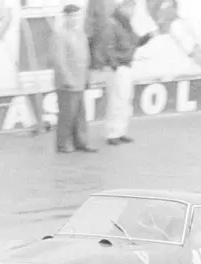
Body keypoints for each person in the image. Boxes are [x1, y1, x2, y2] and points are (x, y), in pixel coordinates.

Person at [103, 0, 155, 146]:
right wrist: (114, 65)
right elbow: (108, 46)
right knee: (116, 100)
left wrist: (147, 37)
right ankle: (111, 133)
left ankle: (120, 131)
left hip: (125, 66)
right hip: (118, 67)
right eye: (131, 7)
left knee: (124, 100)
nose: (133, 11)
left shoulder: (126, 24)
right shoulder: (112, 24)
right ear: (123, 7)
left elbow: (134, 42)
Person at [52, 4, 97, 154]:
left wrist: (88, 76)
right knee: (67, 114)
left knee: (80, 114)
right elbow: (59, 60)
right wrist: (67, 78)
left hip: (80, 81)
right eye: (71, 16)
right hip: (67, 84)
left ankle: (81, 142)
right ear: (65, 17)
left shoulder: (80, 34)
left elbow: (86, 57)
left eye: (77, 16)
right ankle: (63, 144)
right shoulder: (59, 35)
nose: (74, 19)